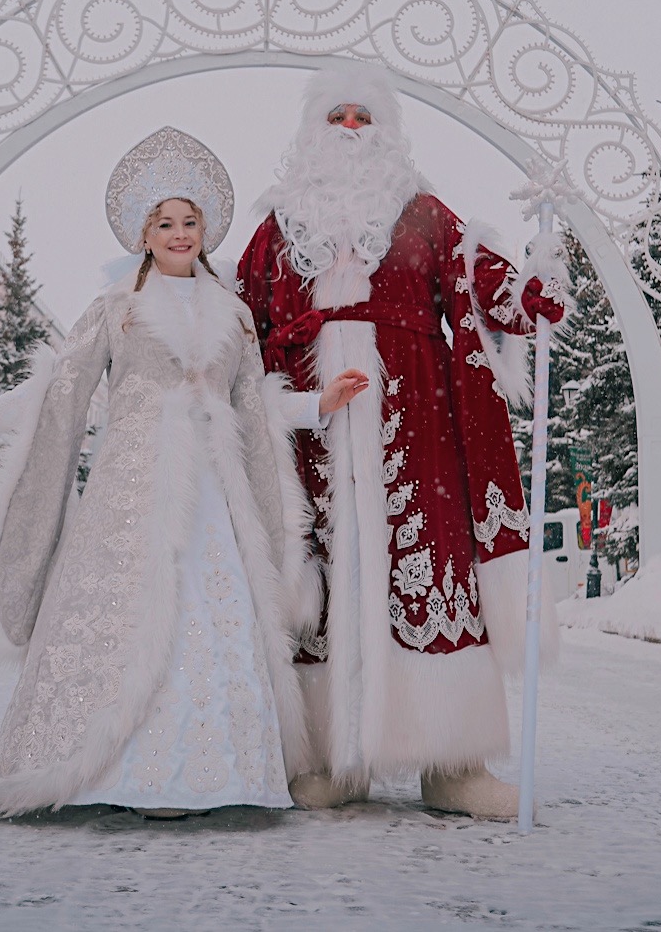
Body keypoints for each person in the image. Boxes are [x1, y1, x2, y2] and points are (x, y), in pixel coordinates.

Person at [0, 127, 367, 819]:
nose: (179, 233)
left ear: (205, 230)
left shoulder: (233, 314)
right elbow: (61, 390)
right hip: (132, 492)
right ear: (144, 233)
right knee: (126, 613)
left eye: (190, 221)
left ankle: (212, 771)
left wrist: (319, 402)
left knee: (211, 608)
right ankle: (115, 769)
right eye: (165, 222)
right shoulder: (116, 309)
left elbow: (251, 405)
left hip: (215, 500)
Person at [236, 65, 566, 820]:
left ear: (386, 131)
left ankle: (453, 764)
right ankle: (328, 761)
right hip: (312, 432)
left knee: (433, 556)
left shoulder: (422, 214)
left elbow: (479, 281)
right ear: (311, 132)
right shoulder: (276, 228)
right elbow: (238, 327)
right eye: (337, 116)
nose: (351, 128)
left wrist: (528, 290)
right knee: (319, 568)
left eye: (364, 116)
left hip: (415, 420)